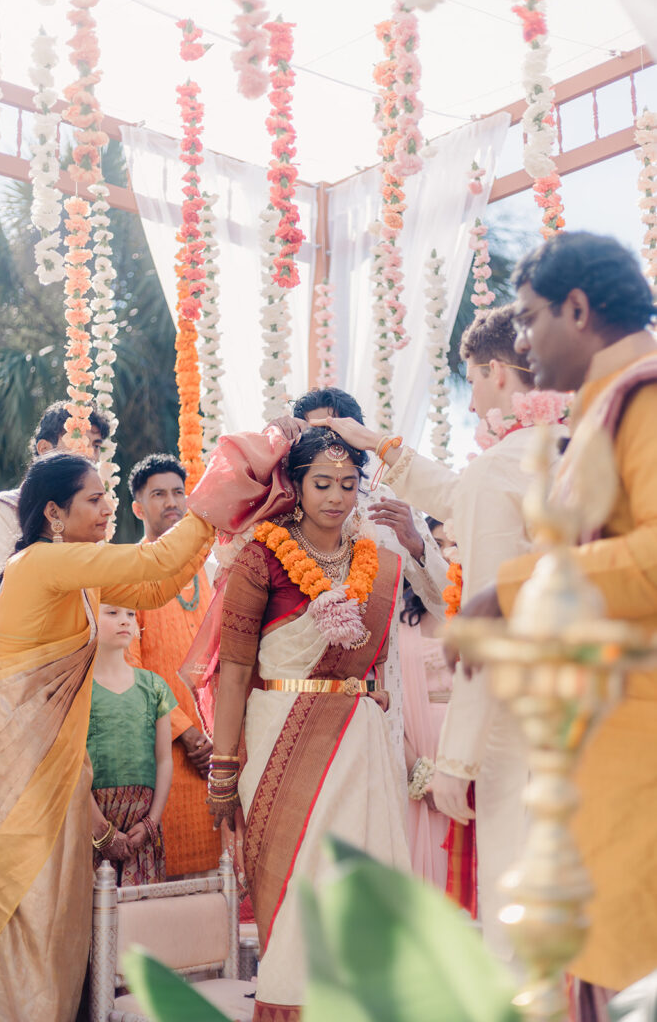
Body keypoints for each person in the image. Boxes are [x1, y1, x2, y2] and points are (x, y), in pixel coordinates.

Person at [312, 306, 569, 964]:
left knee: (515, 910)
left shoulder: (501, 469)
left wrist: (455, 761)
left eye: (471, 378)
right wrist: (382, 446)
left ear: (496, 373)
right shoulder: (563, 452)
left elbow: (486, 624)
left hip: (518, 720)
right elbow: (462, 497)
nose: (470, 393)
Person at [458, 232, 657, 1017]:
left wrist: (517, 586)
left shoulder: (643, 397)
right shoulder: (607, 409)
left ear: (578, 309)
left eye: (533, 318)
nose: (524, 342)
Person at [0, 451, 215, 1021]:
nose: (109, 508)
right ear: (54, 514)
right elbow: (154, 562)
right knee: (20, 920)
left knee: (57, 927)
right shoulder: (41, 564)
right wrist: (215, 504)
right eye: (95, 499)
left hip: (54, 776)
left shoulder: (74, 573)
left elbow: (154, 589)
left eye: (109, 496)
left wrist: (210, 526)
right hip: (15, 779)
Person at [194, 426, 411, 1020]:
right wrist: (223, 765)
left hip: (360, 740)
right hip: (276, 739)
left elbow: (384, 667)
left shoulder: (381, 564)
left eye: (347, 484)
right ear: (295, 483)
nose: (336, 497)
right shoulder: (260, 558)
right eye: (322, 483)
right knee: (297, 886)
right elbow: (234, 673)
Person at [291, 387, 447, 769]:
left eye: (333, 433)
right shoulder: (282, 507)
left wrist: (416, 546)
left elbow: (444, 603)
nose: (323, 445)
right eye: (310, 435)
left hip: (377, 685)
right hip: (299, 685)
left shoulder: (387, 503)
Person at [127, 454, 221, 878]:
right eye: (158, 494)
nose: (172, 502)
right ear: (138, 507)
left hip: (218, 747)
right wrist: (187, 733)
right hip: (165, 747)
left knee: (216, 880)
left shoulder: (209, 570)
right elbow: (130, 670)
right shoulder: (127, 574)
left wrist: (218, 735)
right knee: (168, 876)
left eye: (179, 492)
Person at [0, 400, 110, 616]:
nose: (90, 456)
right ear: (45, 449)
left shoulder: (90, 518)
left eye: (95, 445)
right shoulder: (3, 511)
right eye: (77, 441)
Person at [89, 603, 175, 886]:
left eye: (131, 614)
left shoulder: (154, 687)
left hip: (142, 828)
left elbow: (164, 759)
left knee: (141, 919)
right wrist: (100, 829)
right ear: (88, 617)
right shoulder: (78, 689)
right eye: (112, 613)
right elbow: (69, 765)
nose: (125, 621)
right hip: (90, 823)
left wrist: (151, 821)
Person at [399, 516, 453, 889]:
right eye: (436, 542)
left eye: (453, 543)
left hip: (471, 753)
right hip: (416, 753)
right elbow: (383, 705)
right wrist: (419, 772)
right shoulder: (398, 622)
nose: (447, 552)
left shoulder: (476, 615)